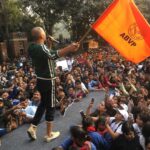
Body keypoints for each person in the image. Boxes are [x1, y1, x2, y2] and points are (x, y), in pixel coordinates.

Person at [27, 27, 79, 142]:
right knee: (50, 106)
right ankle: (49, 134)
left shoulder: (32, 47)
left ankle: (33, 127)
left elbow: (46, 56)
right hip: (48, 80)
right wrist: (70, 48)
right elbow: (53, 55)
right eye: (44, 33)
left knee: (43, 104)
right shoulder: (41, 48)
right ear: (41, 36)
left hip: (40, 79)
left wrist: (48, 45)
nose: (46, 34)